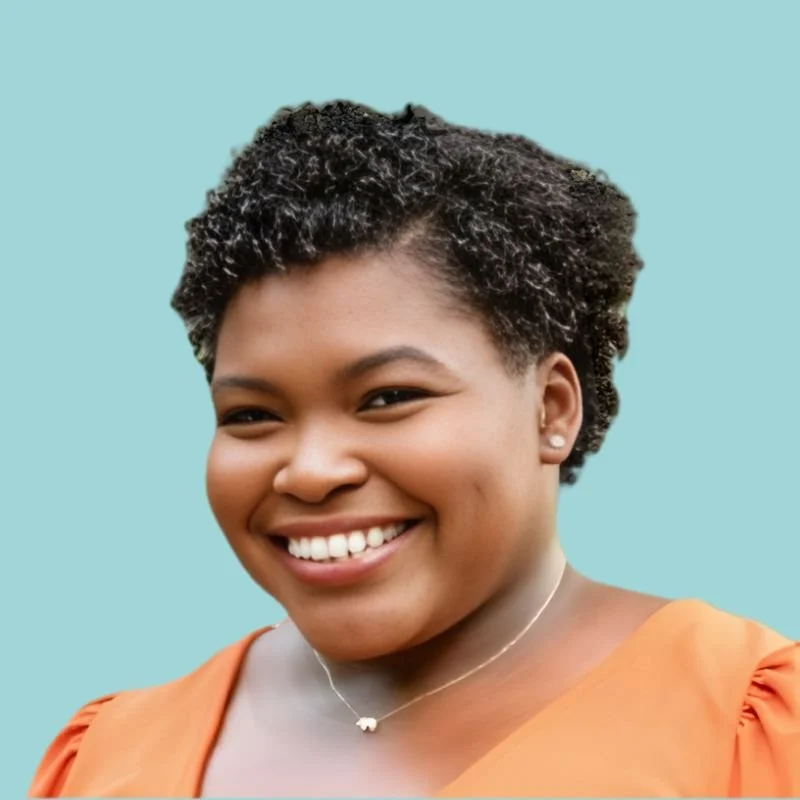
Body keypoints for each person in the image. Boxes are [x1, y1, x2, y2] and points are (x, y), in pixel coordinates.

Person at [29, 101, 799, 798]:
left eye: (389, 397)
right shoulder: (111, 758)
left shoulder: (737, 724)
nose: (311, 471)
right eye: (252, 414)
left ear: (552, 409)